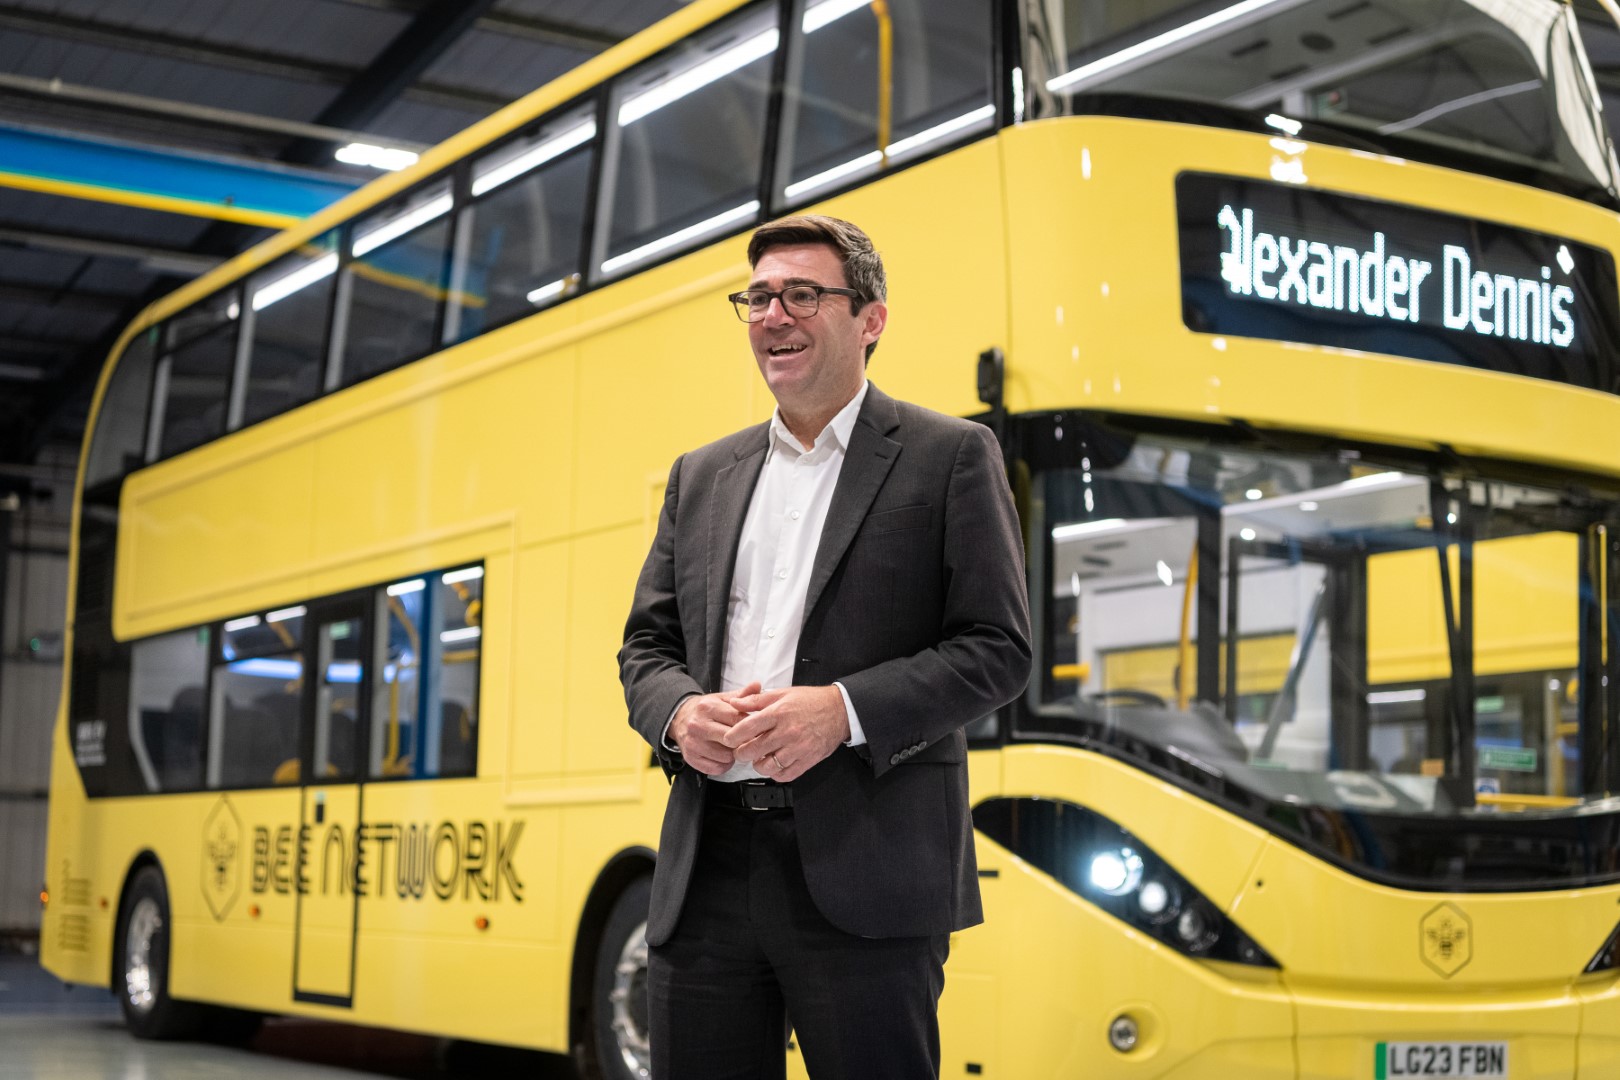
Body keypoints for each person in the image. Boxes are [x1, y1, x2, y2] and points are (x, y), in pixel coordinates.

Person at [618, 214, 1031, 1080]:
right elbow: (647, 648)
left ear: (870, 318)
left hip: (867, 873)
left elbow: (998, 647)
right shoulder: (701, 475)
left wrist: (840, 714)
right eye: (759, 297)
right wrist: (679, 715)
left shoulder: (950, 456)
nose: (774, 315)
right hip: (707, 872)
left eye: (803, 294)